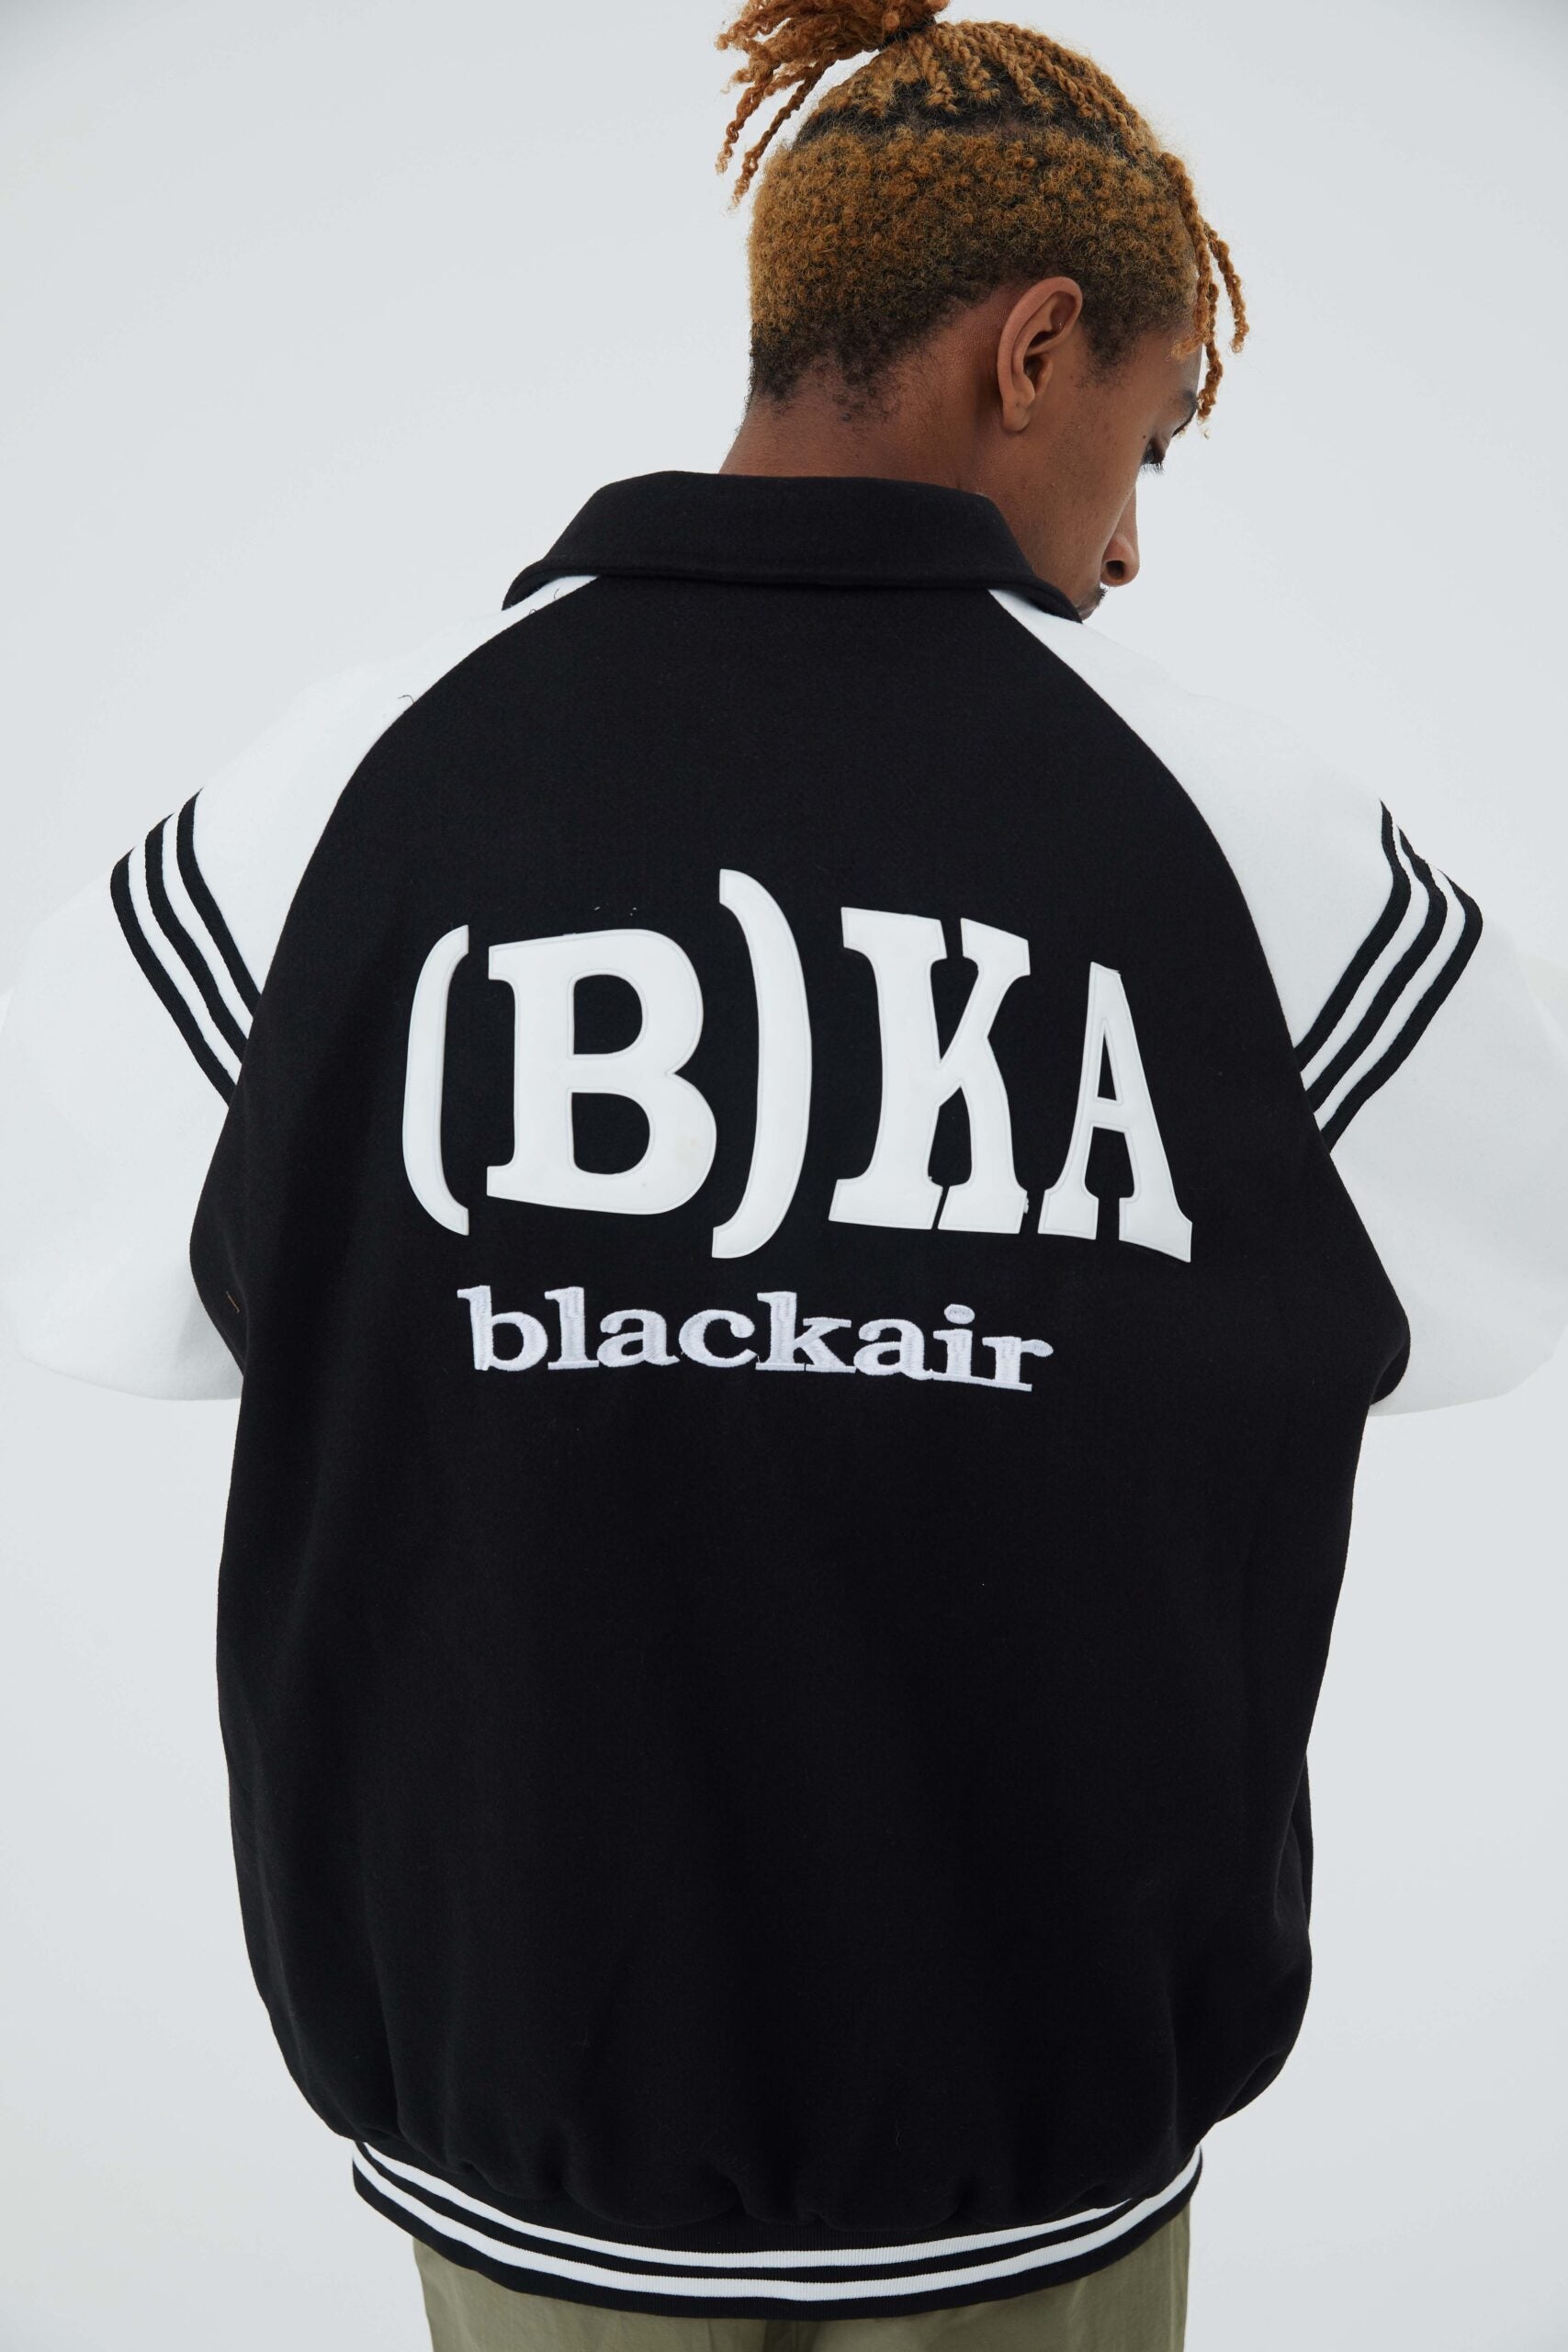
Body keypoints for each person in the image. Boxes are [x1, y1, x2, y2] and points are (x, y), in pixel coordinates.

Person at [3, 5, 1567, 2349]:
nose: (1129, 543)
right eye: (1144, 439)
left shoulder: (335, 799)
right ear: (1031, 350)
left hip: (522, 2153)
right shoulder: (1255, 848)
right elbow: (1516, 1230)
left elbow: (70, 1242)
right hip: (1034, 2175)